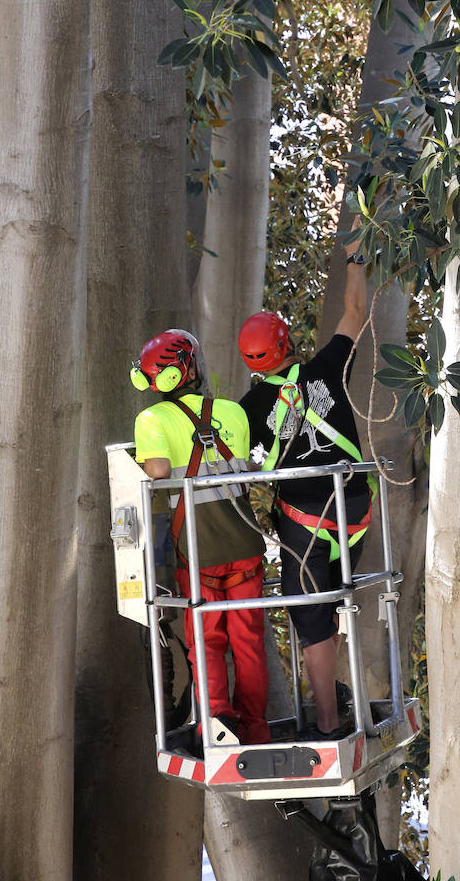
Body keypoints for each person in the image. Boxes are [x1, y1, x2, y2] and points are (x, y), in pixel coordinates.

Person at [238, 240, 370, 738]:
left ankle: (331, 724)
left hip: (305, 521)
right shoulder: (326, 368)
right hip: (354, 511)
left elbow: (222, 453)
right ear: (288, 343)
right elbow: (354, 310)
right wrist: (357, 254)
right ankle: (336, 697)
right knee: (332, 603)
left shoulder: (249, 409)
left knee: (311, 616)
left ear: (252, 361)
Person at [131, 329, 269, 745]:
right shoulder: (234, 413)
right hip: (244, 546)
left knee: (205, 641)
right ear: (190, 368)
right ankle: (255, 729)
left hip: (198, 551)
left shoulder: (151, 420)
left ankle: (219, 725)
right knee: (248, 645)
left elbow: (156, 472)